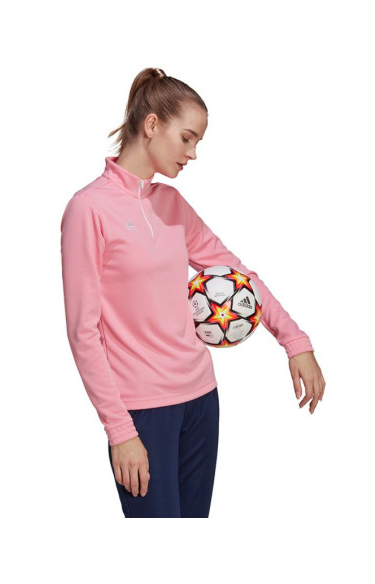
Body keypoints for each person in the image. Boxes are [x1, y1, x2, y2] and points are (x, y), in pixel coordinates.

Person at [60, 67, 326, 518]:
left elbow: (239, 274)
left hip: (202, 399)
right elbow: (83, 332)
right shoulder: (88, 209)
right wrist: (119, 430)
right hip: (143, 413)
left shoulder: (172, 205)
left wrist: (295, 341)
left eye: (197, 142)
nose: (193, 153)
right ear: (152, 125)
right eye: (187, 138)